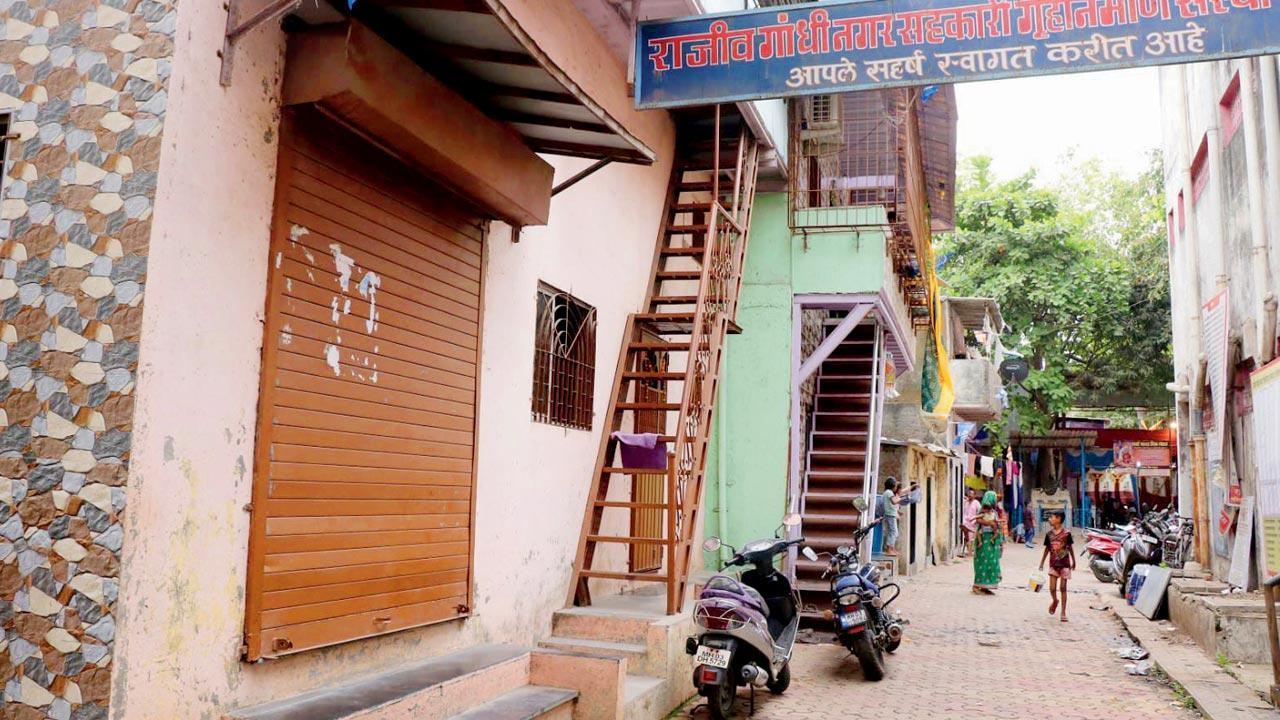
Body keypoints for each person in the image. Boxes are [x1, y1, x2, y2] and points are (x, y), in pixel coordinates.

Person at [1039, 510, 1076, 622]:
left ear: (1058, 519)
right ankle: (1055, 600)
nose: (1049, 519)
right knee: (1052, 588)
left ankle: (1063, 612)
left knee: (1063, 588)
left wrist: (1074, 561)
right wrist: (1041, 563)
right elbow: (1047, 549)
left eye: (1051, 517)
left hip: (1065, 564)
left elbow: (1069, 548)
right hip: (1053, 563)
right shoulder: (1049, 535)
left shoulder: (1067, 534)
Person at [971, 490, 1003, 594]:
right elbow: (978, 521)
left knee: (991, 562)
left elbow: (997, 524)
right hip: (984, 541)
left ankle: (986, 586)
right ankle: (976, 586)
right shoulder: (982, 511)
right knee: (983, 562)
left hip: (992, 542)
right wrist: (990, 523)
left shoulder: (994, 512)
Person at [882, 477, 903, 556]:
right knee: (893, 532)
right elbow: (894, 501)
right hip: (890, 514)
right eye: (895, 486)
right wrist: (900, 499)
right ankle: (889, 549)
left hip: (891, 514)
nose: (896, 488)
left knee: (894, 532)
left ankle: (892, 548)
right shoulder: (889, 492)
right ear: (892, 486)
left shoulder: (887, 492)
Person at [961, 488, 980, 557]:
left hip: (972, 523)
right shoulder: (966, 502)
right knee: (967, 537)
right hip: (965, 522)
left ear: (974, 495)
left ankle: (969, 552)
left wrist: (975, 520)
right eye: (969, 494)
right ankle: (968, 551)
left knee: (970, 538)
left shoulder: (976, 503)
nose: (970, 495)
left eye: (972, 494)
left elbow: (979, 513)